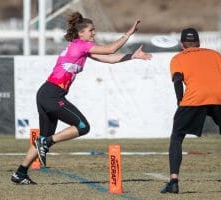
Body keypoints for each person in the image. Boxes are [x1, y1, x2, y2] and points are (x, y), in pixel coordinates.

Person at [11, 12, 152, 185]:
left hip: (47, 93)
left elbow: (109, 59)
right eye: (91, 30)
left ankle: (20, 173)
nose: (94, 33)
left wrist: (133, 56)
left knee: (43, 139)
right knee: (82, 126)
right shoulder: (81, 46)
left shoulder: (81, 48)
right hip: (51, 94)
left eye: (94, 30)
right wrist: (128, 34)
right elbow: (110, 49)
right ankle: (45, 142)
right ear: (81, 33)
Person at [161, 28, 221, 194]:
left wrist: (180, 101)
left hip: (195, 97)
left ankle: (174, 181)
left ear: (182, 44)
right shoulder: (215, 55)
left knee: (177, 136)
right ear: (199, 43)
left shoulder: (178, 58)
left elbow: (177, 80)